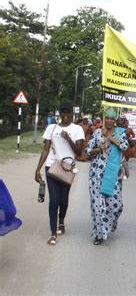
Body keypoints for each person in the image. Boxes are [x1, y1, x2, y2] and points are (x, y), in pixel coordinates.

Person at [34, 102, 84, 245]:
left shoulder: (77, 129)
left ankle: (61, 220)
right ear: (60, 113)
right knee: (54, 200)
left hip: (67, 168)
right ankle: (53, 233)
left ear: (72, 114)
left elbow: (79, 152)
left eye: (68, 112)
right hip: (52, 166)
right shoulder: (51, 128)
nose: (66, 115)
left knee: (63, 200)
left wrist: (68, 138)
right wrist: (38, 169)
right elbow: (45, 150)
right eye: (63, 112)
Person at [85, 108, 129, 245]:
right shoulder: (97, 133)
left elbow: (125, 146)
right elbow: (87, 151)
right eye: (107, 118)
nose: (109, 120)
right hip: (96, 174)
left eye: (111, 118)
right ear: (104, 119)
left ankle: (111, 223)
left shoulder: (120, 133)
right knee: (97, 205)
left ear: (114, 120)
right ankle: (99, 234)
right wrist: (99, 149)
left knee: (116, 205)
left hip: (113, 173)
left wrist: (109, 137)